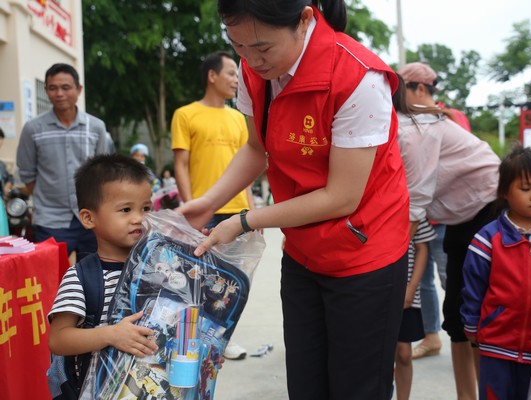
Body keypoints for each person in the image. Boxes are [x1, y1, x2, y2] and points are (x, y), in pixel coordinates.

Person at [177, 1, 411, 398]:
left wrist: (246, 219)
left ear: (305, 19)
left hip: (365, 253)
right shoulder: (255, 71)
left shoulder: (358, 76)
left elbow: (342, 197)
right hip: (305, 251)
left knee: (357, 388)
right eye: (239, 47)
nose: (251, 60)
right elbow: (256, 147)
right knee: (305, 384)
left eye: (263, 48)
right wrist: (209, 201)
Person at [394, 66, 501, 400]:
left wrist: (391, 262)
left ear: (413, 89)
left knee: (484, 314)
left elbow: (416, 199)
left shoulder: (418, 127)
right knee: (456, 315)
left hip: (489, 212)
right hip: (457, 220)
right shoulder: (405, 124)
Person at [460, 145, 531, 399]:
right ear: (505, 192)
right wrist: (471, 325)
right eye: (526, 189)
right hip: (496, 346)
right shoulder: (487, 240)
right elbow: (473, 289)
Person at [47, 154, 158, 396]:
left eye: (146, 208)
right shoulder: (82, 277)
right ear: (89, 218)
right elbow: (58, 339)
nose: (139, 218)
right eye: (126, 209)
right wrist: (110, 334)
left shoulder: (157, 268)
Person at [171, 51, 254, 360]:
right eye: (232, 73)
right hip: (202, 210)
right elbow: (181, 163)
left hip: (237, 211)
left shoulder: (239, 117)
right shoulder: (186, 114)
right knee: (201, 278)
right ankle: (196, 337)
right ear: (212, 76)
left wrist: (251, 209)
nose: (237, 79)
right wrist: (190, 204)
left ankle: (224, 337)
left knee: (233, 280)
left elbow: (249, 167)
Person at [16, 63, 108, 264]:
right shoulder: (33, 129)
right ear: (46, 90)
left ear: (78, 89)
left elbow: (103, 173)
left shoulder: (96, 127)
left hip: (90, 217)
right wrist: (47, 199)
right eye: (52, 88)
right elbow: (27, 173)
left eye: (65, 87)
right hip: (50, 220)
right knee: (49, 280)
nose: (59, 93)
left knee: (93, 277)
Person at [394, 218, 436, 400]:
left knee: (404, 353)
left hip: (406, 295)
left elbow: (422, 248)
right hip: (376, 292)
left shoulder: (415, 208)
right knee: (379, 356)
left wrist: (411, 288)